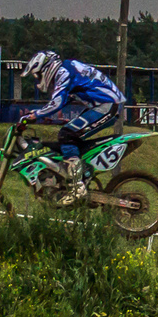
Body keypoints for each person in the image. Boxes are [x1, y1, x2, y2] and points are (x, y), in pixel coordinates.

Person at [20, 51, 126, 204]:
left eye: (38, 75)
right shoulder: (68, 68)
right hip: (103, 104)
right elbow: (65, 99)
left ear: (47, 68)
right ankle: (81, 173)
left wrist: (35, 115)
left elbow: (57, 102)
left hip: (106, 105)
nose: (38, 79)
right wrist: (42, 114)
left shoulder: (63, 73)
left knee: (67, 134)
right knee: (71, 134)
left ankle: (77, 186)